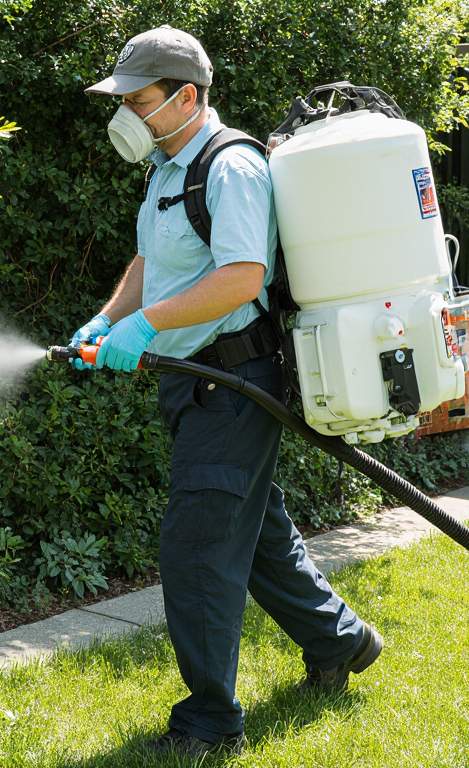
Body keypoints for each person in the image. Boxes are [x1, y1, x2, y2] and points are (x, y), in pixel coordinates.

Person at [72, 25, 384, 758]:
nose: (126, 116)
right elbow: (153, 259)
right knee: (258, 533)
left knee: (197, 545)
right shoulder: (165, 166)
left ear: (185, 97)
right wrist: (110, 317)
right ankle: (339, 642)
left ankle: (210, 721)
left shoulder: (230, 166)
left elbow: (242, 276)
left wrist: (145, 327)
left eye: (137, 101)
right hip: (195, 386)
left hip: (234, 381)